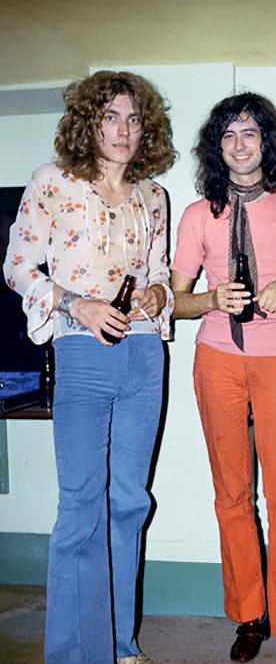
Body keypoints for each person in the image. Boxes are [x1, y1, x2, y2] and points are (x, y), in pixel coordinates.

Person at [3, 70, 176, 664]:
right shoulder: (52, 182)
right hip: (81, 352)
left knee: (129, 503)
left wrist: (157, 293)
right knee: (81, 508)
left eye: (134, 119)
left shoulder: (155, 196)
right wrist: (77, 303)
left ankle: (120, 645)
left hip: (145, 355)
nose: (124, 130)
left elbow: (160, 272)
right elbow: (17, 266)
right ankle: (73, 655)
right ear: (88, 123)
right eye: (110, 117)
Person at [170, 93, 276, 664]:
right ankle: (249, 616)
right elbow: (175, 301)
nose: (239, 145)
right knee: (232, 496)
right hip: (218, 360)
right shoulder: (197, 214)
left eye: (250, 133)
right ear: (217, 146)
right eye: (229, 135)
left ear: (267, 141)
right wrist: (212, 298)